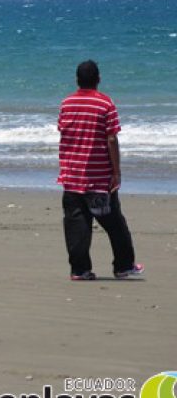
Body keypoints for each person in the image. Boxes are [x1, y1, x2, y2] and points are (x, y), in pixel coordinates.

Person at [58, 60, 144, 281]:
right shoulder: (105, 104)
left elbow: (64, 133)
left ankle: (79, 270)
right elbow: (111, 138)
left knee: (77, 226)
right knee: (114, 223)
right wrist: (117, 172)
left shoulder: (66, 103)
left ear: (77, 80)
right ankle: (123, 266)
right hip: (98, 179)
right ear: (98, 79)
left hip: (72, 176)